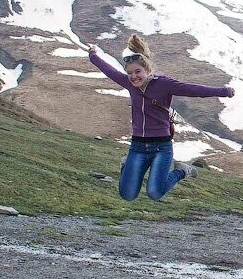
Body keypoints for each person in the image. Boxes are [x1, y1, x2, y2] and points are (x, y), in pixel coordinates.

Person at [88, 34, 234, 201]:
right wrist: (92, 55)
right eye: (130, 73)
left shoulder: (164, 84)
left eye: (138, 72)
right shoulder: (129, 83)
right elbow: (108, 70)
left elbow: (192, 90)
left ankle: (182, 171)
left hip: (161, 147)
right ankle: (126, 165)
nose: (134, 76)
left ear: (147, 69)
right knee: (127, 195)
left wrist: (223, 91)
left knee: (155, 193)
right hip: (137, 146)